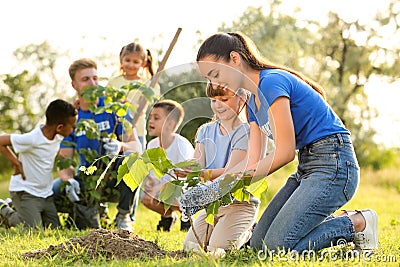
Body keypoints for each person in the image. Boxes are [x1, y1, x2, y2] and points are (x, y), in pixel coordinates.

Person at [185, 31, 378, 253]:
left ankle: (356, 223)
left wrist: (221, 186)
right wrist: (215, 188)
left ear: (235, 59)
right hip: (307, 167)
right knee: (259, 245)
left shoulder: (271, 82)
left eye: (215, 73)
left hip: (334, 165)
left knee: (276, 248)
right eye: (208, 78)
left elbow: (285, 153)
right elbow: (251, 163)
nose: (214, 82)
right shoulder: (251, 104)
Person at [52, 58, 142, 231]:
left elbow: (136, 147)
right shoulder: (71, 118)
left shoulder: (114, 108)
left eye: (95, 78)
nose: (93, 83)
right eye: (85, 79)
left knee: (134, 160)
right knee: (56, 189)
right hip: (88, 179)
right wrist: (69, 180)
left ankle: (123, 216)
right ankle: (88, 213)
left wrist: (119, 146)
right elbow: (65, 161)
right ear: (74, 85)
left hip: (115, 179)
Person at [182, 84, 260, 255]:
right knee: (190, 248)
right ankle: (224, 228)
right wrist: (186, 170)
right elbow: (197, 164)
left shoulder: (246, 132)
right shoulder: (205, 130)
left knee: (217, 250)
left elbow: (231, 172)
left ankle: (250, 232)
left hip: (239, 205)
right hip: (213, 205)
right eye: (213, 100)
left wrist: (203, 174)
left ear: (241, 99)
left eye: (224, 99)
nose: (218, 105)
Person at [0, 99, 77, 228]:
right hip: (25, 192)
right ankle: (4, 210)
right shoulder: (32, 139)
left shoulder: (57, 136)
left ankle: (19, 208)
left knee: (55, 229)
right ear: (59, 127)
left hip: (45, 194)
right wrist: (16, 163)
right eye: (73, 126)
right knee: (33, 230)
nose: (74, 129)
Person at [107, 42, 160, 222]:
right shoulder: (114, 82)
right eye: (127, 60)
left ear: (143, 63)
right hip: (115, 132)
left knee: (135, 170)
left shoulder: (146, 84)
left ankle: (128, 215)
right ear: (121, 60)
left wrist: (150, 90)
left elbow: (154, 101)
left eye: (135, 62)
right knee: (112, 169)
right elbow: (105, 103)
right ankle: (104, 209)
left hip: (137, 133)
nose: (130, 65)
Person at [140, 99, 194, 231]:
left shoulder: (181, 145)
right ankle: (168, 217)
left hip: (185, 188)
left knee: (177, 192)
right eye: (150, 117)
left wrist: (158, 188)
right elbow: (153, 172)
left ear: (170, 124)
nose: (150, 121)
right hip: (164, 187)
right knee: (144, 196)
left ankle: (187, 218)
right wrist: (150, 183)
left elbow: (183, 178)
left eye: (156, 118)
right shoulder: (152, 145)